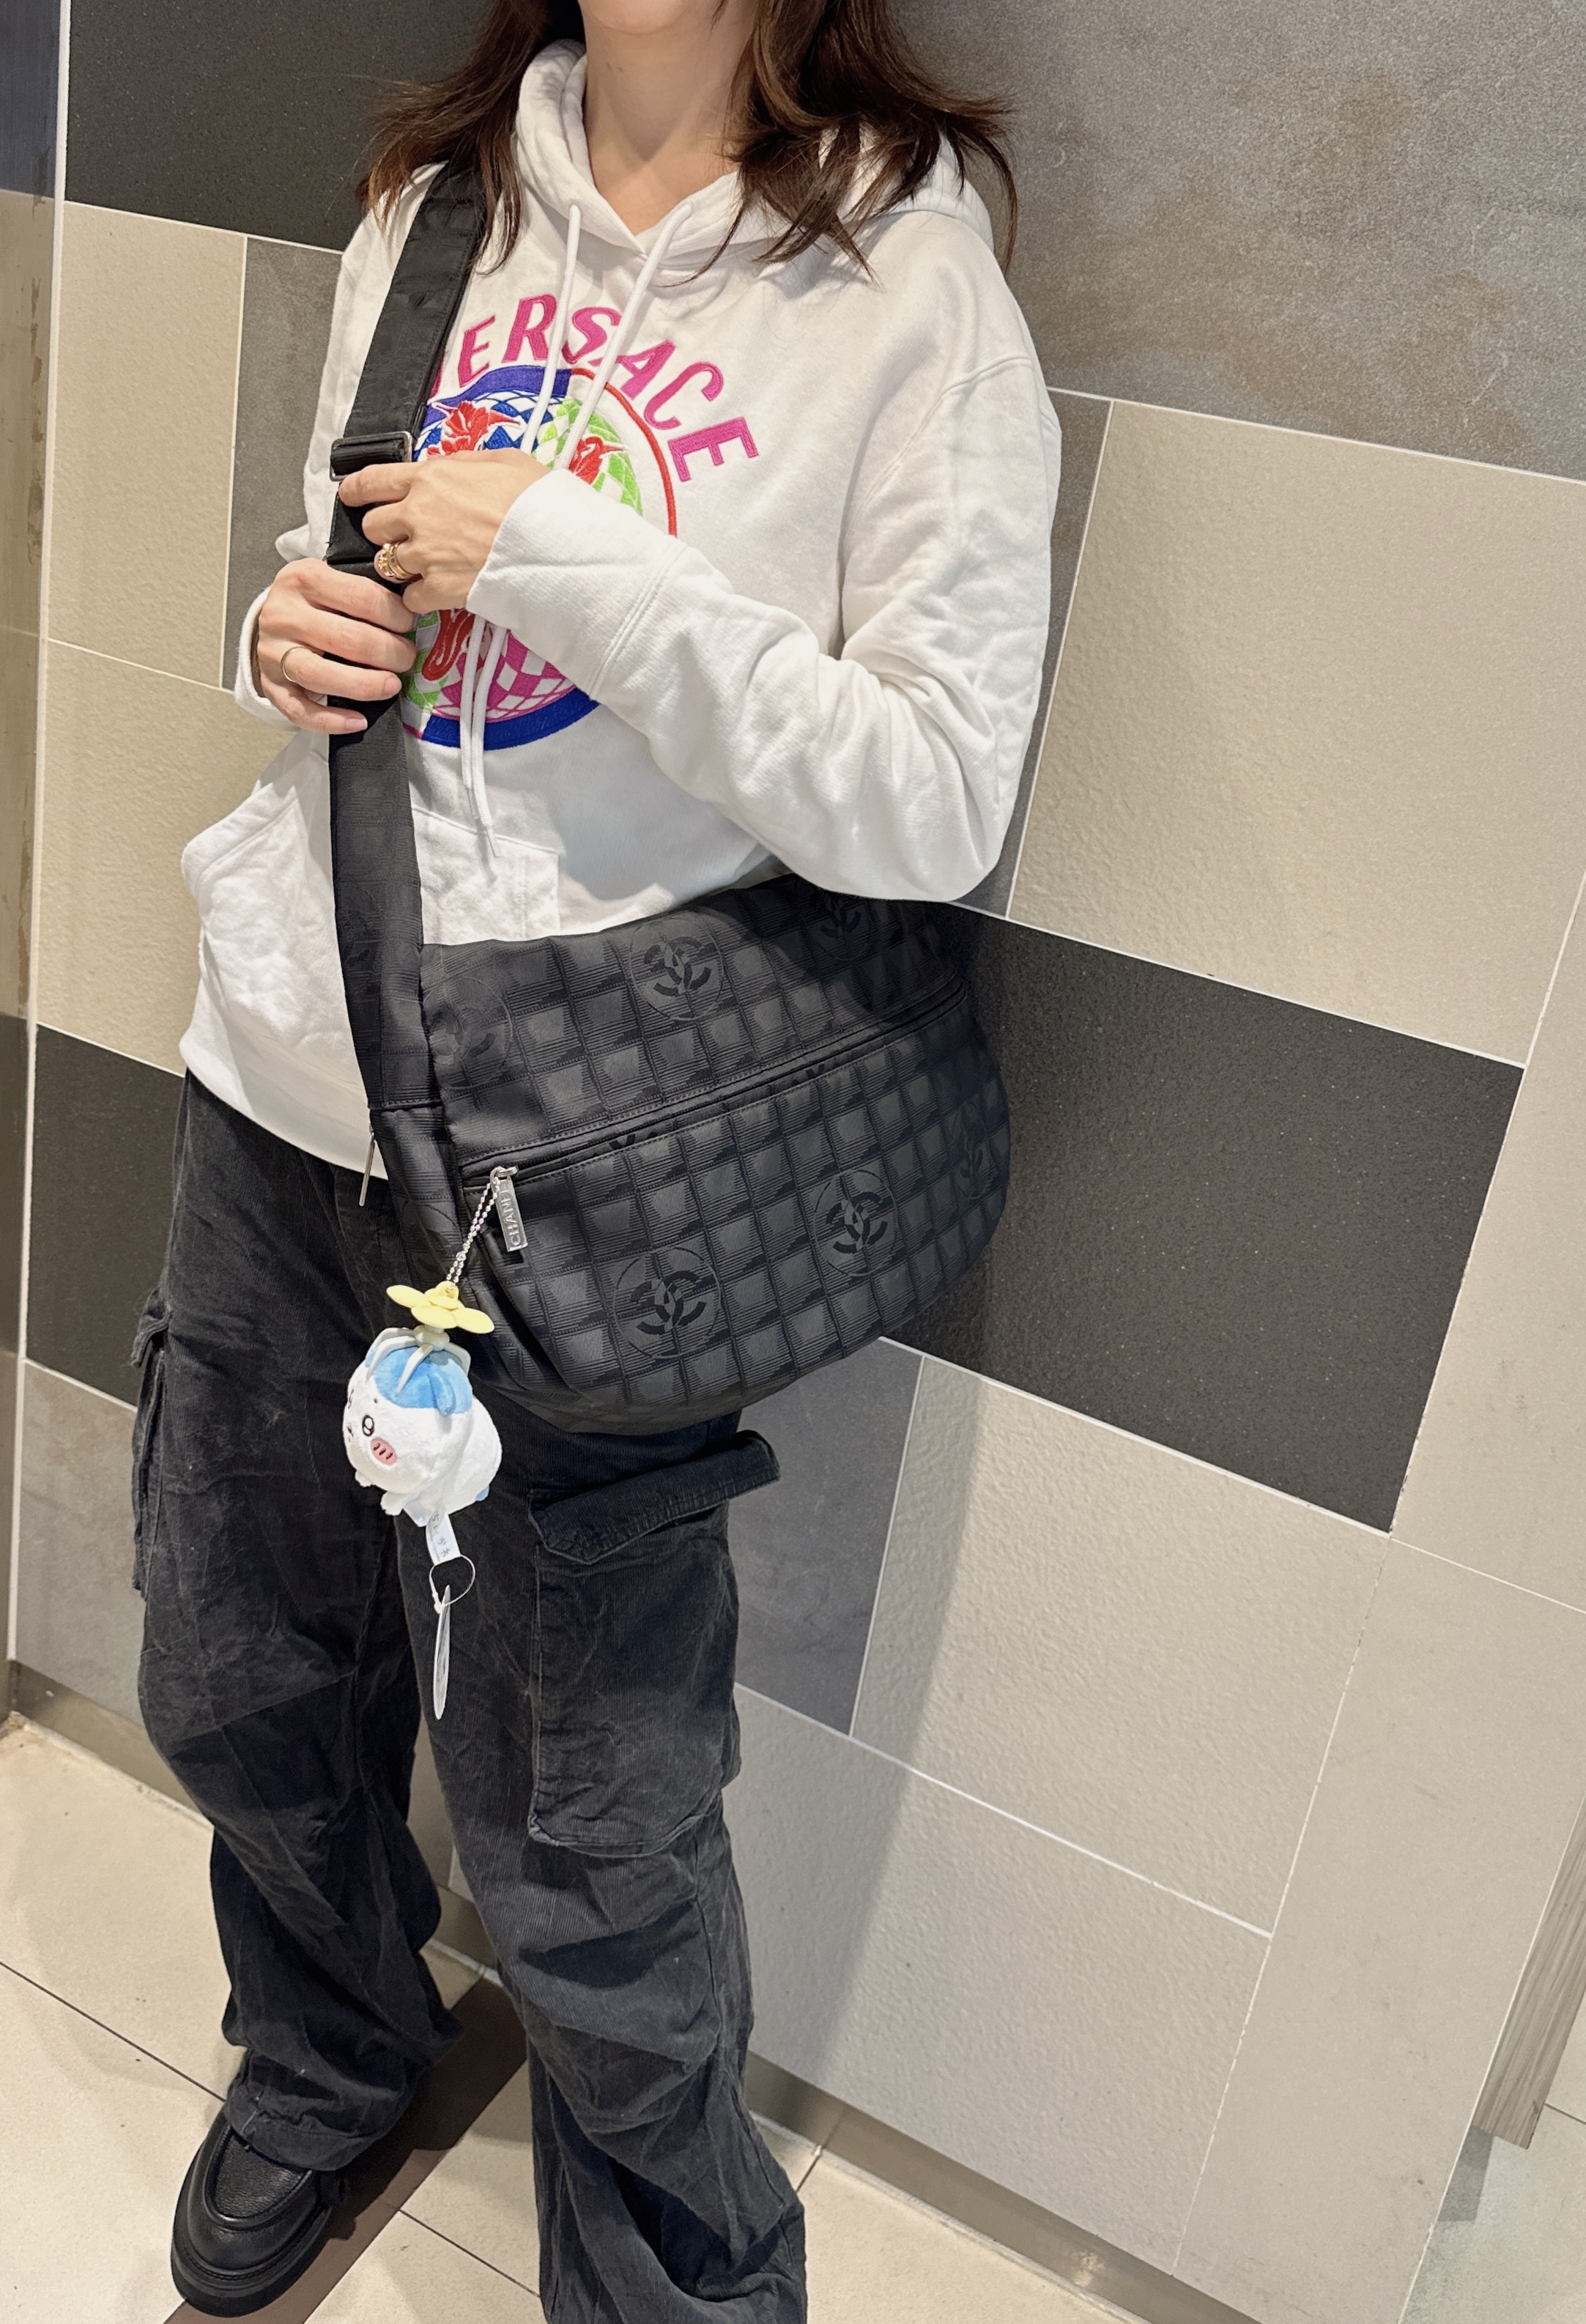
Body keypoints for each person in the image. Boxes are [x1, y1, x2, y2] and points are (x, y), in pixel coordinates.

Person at [134, 1, 1059, 2315]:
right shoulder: (442, 202)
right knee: (240, 1679)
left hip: (597, 1167)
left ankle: (673, 2275)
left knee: (592, 1832)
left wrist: (555, 550)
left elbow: (937, 793)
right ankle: (331, 2051)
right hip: (293, 1087)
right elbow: (334, 566)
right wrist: (283, 630)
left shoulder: (904, 277)